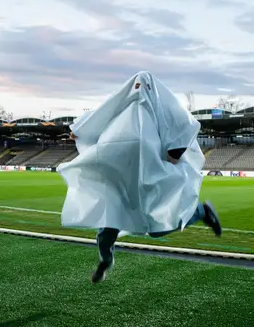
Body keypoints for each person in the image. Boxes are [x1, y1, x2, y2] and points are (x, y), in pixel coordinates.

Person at [58, 71, 222, 283]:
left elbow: (187, 126)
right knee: (108, 223)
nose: (139, 90)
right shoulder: (122, 111)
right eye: (135, 86)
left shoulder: (163, 112)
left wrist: (173, 154)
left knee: (157, 229)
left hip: (148, 177)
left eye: (143, 86)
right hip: (120, 179)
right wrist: (81, 130)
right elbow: (100, 116)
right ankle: (105, 261)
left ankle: (201, 212)